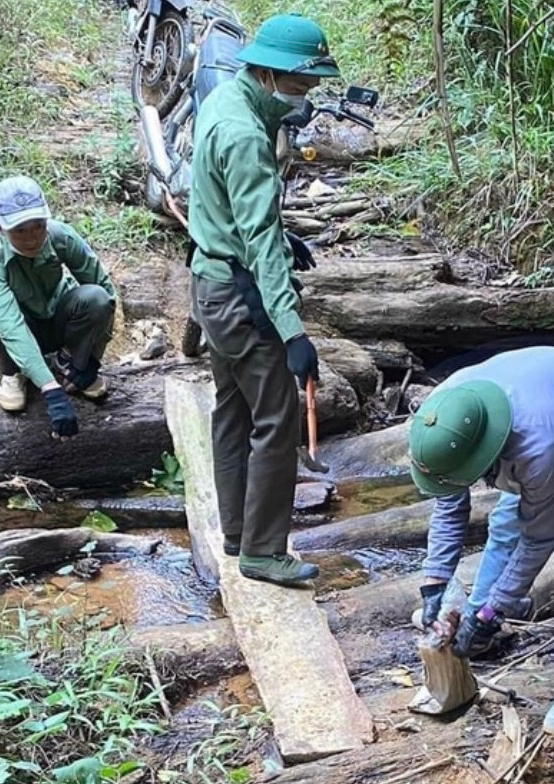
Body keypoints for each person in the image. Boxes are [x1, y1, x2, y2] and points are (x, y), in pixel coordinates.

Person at [409, 346, 554, 736]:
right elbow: (450, 508)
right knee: (504, 524)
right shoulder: (439, 423)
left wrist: (493, 611)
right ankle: (472, 622)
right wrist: (435, 584)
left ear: (484, 453)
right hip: (544, 416)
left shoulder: (535, 443)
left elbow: (541, 535)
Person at [186, 13, 338, 587]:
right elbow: (258, 244)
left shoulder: (225, 100)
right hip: (240, 295)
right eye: (302, 85)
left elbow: (223, 204)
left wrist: (278, 230)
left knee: (231, 411)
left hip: (209, 283)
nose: (305, 96)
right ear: (273, 73)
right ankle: (264, 552)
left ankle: (236, 532)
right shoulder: (247, 135)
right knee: (276, 419)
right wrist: (293, 331)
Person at [0, 175, 117, 439]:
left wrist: (93, 358)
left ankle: (70, 361)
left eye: (37, 226)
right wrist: (51, 389)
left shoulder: (61, 236)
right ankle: (13, 372)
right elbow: (10, 324)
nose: (31, 237)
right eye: (19, 230)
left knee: (96, 298)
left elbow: (107, 294)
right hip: (17, 326)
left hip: (54, 316)